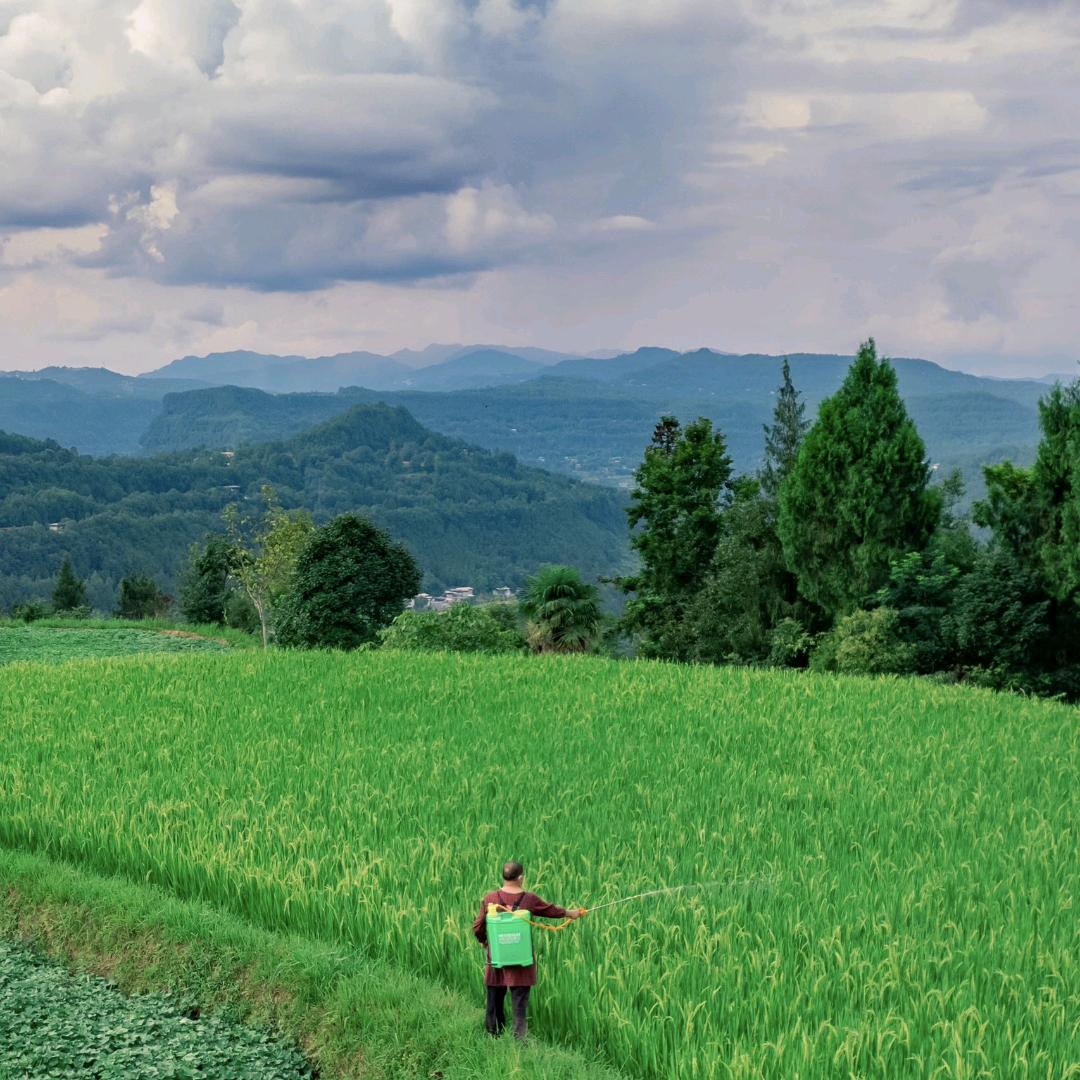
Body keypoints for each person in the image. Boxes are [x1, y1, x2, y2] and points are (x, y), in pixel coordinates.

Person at [472, 860, 583, 1041]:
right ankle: (519, 1042)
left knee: (494, 1003)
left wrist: (484, 941)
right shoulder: (529, 900)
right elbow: (551, 910)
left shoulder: (490, 898)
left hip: (496, 962)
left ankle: (493, 1037)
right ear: (521, 878)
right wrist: (572, 913)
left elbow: (477, 927)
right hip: (521, 963)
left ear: (503, 876)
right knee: (519, 1006)